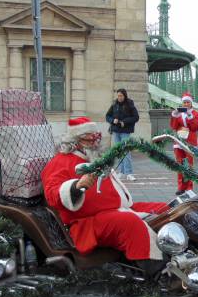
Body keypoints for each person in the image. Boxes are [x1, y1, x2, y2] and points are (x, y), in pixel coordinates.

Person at [41, 117, 168, 273]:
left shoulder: (94, 158)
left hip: (119, 209)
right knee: (129, 223)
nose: (95, 141)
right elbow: (52, 194)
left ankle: (182, 252)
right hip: (87, 222)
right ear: (75, 141)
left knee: (166, 209)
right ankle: (160, 272)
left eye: (96, 135)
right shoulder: (60, 162)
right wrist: (77, 186)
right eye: (89, 137)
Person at [170, 92, 198, 195]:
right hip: (179, 141)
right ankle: (181, 187)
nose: (186, 104)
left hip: (190, 142)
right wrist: (174, 116)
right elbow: (174, 127)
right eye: (184, 102)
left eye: (188, 102)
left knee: (190, 165)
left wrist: (190, 117)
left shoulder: (196, 114)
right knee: (180, 165)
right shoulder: (179, 113)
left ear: (191, 103)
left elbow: (195, 127)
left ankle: (189, 187)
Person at [105, 88, 139, 181]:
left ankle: (129, 173)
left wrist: (124, 121)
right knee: (119, 151)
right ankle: (121, 172)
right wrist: (113, 120)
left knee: (126, 151)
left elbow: (136, 117)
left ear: (124, 96)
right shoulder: (114, 104)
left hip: (125, 131)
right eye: (118, 96)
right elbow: (107, 116)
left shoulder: (130, 104)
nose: (119, 97)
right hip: (116, 131)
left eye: (121, 96)